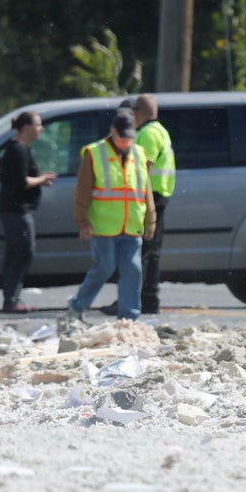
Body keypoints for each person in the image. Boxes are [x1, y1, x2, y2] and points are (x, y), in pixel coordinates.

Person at [66, 109, 156, 323]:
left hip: (132, 224)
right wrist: (83, 222)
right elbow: (82, 190)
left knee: (133, 269)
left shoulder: (139, 153)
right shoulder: (94, 153)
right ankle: (77, 307)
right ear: (112, 131)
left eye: (129, 138)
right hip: (104, 225)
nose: (125, 142)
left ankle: (129, 318)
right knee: (104, 268)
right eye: (121, 137)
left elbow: (146, 190)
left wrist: (150, 220)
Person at [100, 94, 173, 316]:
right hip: (157, 195)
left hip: (146, 197)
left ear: (138, 112)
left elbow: (144, 169)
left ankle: (132, 300)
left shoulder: (149, 134)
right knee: (150, 252)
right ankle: (148, 299)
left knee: (138, 253)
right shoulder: (160, 130)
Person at [0, 111, 56, 313]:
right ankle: (12, 299)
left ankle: (11, 298)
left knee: (16, 254)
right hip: (17, 211)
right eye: (38, 125)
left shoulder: (20, 148)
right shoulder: (18, 150)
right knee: (24, 253)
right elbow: (21, 181)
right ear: (27, 127)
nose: (41, 129)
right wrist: (42, 179)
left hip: (17, 210)